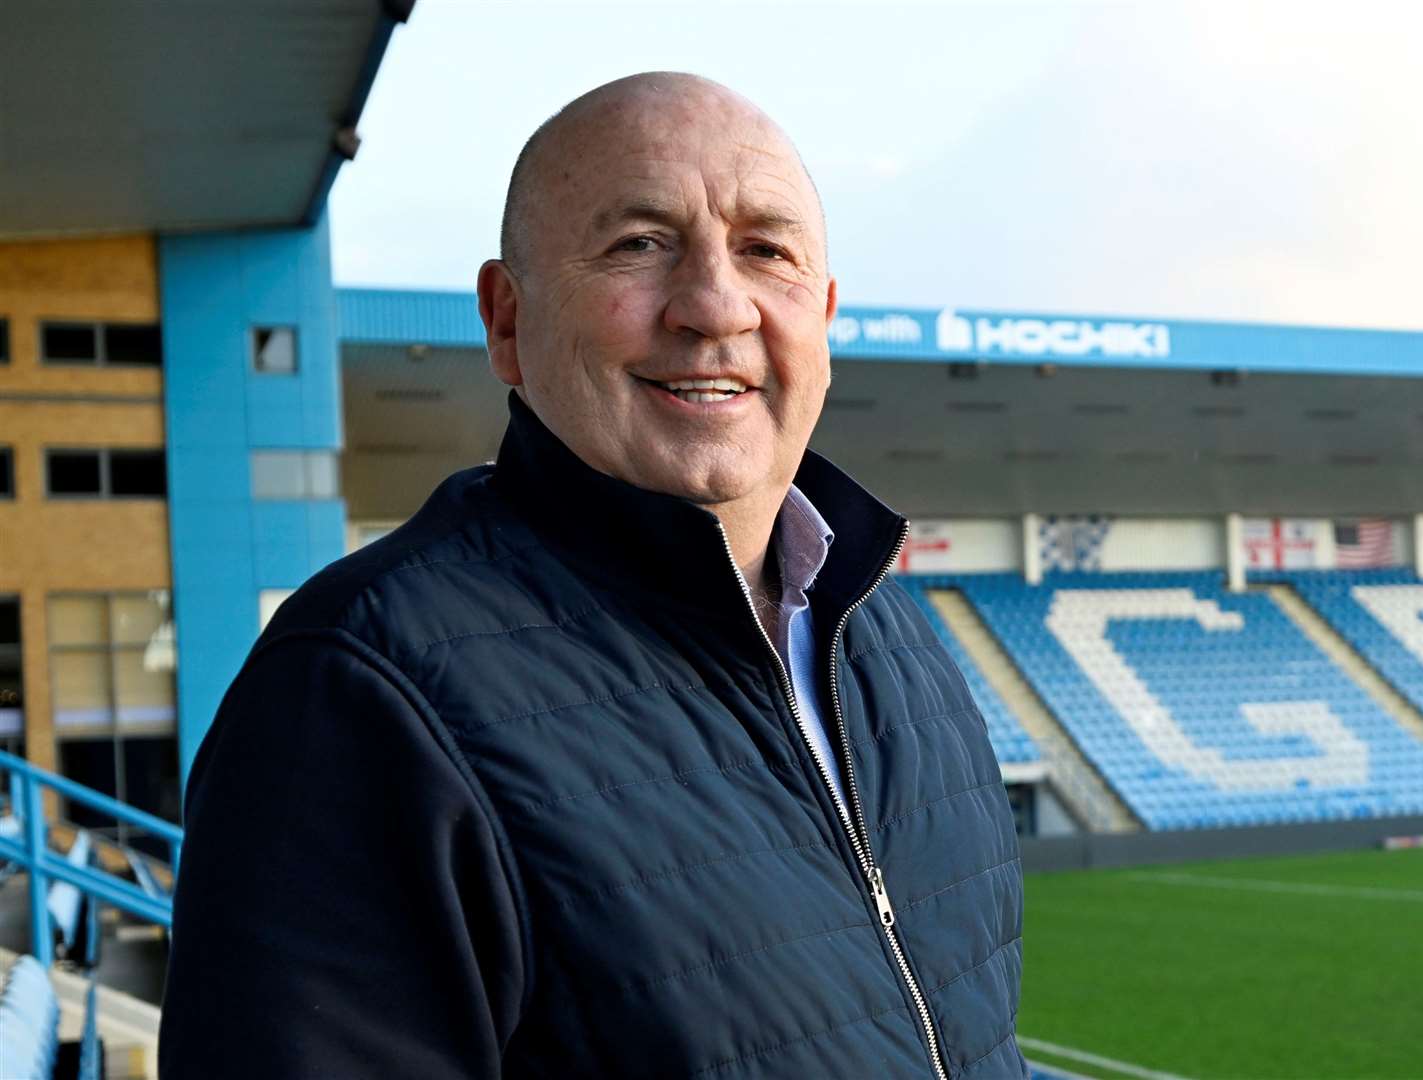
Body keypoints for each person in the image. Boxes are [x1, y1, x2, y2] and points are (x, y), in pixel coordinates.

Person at [160, 72, 1027, 1078]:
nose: (713, 306)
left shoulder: (896, 638)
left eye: (765, 251)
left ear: (823, 316)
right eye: (640, 244)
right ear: (505, 321)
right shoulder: (359, 693)